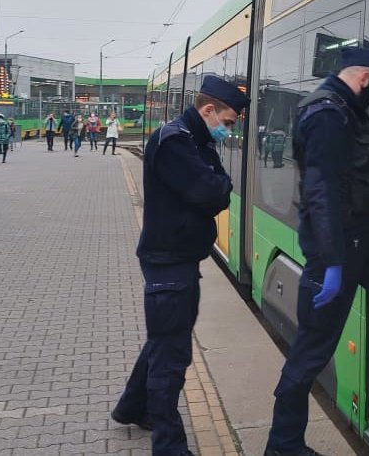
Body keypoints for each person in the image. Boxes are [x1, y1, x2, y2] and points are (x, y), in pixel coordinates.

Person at [265, 48, 369, 456]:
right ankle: (283, 445)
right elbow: (321, 193)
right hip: (336, 250)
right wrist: (333, 264)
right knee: (311, 352)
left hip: (366, 241)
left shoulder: (346, 110)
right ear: (363, 78)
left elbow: (360, 179)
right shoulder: (327, 114)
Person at [112, 75, 249, 456]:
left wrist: (218, 187)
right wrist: (218, 188)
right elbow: (214, 192)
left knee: (164, 343)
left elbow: (220, 187)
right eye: (228, 123)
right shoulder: (176, 142)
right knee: (171, 356)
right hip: (168, 262)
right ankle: (169, 446)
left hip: (178, 260)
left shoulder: (196, 141)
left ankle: (132, 407)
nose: (228, 131)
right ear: (209, 110)